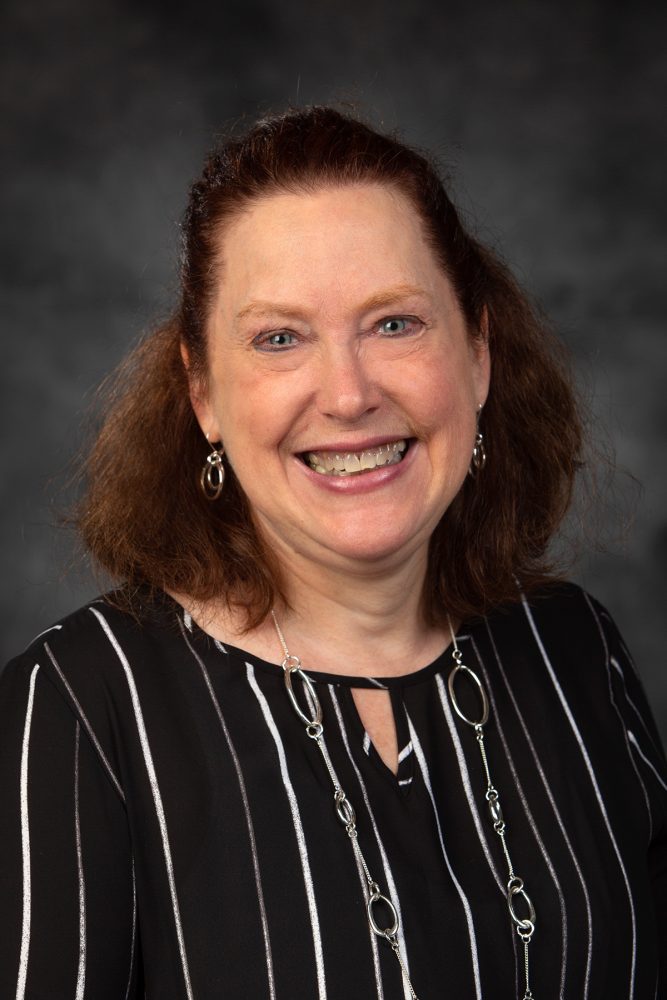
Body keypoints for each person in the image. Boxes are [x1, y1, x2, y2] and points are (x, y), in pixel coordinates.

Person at [1, 106, 665, 1000]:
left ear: (476, 355)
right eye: (280, 338)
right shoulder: (82, 709)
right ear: (202, 394)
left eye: (393, 323)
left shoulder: (574, 652)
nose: (348, 395)